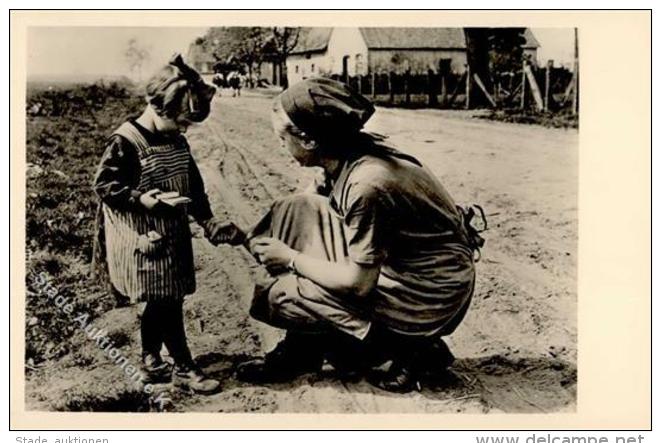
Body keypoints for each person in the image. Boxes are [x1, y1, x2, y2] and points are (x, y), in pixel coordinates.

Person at [236, 77, 480, 393]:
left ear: (309, 140)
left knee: (283, 295)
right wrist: (245, 235)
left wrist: (292, 259)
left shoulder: (367, 184)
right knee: (294, 208)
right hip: (410, 265)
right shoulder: (348, 154)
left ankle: (406, 350)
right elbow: (307, 208)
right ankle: (311, 347)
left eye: (283, 139)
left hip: (430, 289)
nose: (282, 147)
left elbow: (359, 283)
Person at [92, 54, 242, 395]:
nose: (184, 129)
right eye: (181, 122)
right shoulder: (126, 142)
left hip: (171, 233)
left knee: (165, 299)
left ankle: (150, 358)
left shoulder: (176, 140)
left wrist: (207, 220)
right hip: (142, 236)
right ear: (156, 108)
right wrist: (140, 198)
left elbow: (194, 185)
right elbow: (103, 186)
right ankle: (184, 367)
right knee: (167, 301)